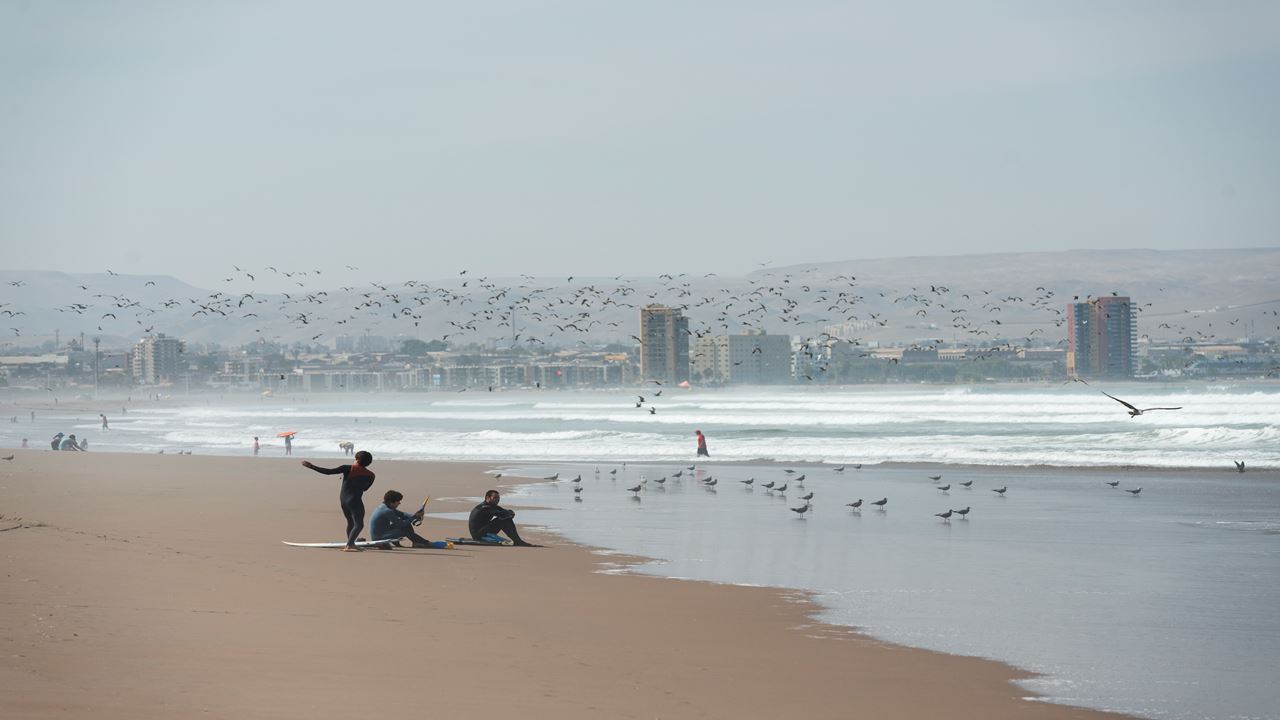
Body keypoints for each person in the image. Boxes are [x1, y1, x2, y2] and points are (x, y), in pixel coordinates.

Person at [301, 451, 376, 552]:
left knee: (350, 522)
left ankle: (351, 543)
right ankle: (350, 544)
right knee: (359, 524)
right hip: (355, 500)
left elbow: (328, 472)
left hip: (343, 500)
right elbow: (365, 489)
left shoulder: (348, 468)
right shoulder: (371, 475)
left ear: (357, 459)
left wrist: (311, 466)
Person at [370, 490, 450, 548]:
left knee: (406, 525)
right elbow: (401, 524)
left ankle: (416, 542)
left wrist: (416, 516)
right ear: (392, 502)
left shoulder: (385, 506)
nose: (399, 503)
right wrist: (414, 517)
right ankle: (426, 543)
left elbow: (402, 514)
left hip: (383, 531)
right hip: (379, 537)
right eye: (398, 502)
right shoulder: (387, 511)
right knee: (405, 530)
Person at [468, 490, 537, 546]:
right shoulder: (484, 508)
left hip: (483, 531)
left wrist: (509, 513)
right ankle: (518, 541)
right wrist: (508, 514)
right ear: (487, 498)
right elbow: (501, 514)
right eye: (495, 498)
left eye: (498, 498)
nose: (497, 500)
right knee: (503, 520)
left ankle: (518, 540)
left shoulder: (491, 506)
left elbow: (504, 511)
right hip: (478, 535)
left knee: (505, 519)